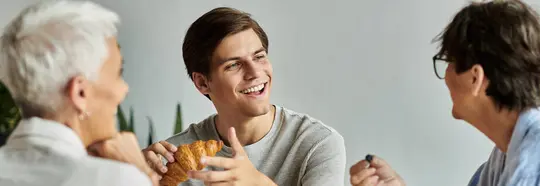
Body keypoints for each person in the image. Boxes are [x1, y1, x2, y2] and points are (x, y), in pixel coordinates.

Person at [349, 0, 540, 186]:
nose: (445, 75)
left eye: (449, 61)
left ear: (475, 77)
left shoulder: (537, 168)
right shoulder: (508, 152)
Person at [142, 7, 346, 186]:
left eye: (259, 57)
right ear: (203, 83)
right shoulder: (173, 160)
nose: (255, 72)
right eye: (234, 65)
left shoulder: (316, 143)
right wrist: (129, 176)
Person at [0, 1, 159, 186]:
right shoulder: (116, 179)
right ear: (80, 92)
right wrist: (142, 172)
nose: (124, 89)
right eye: (118, 73)